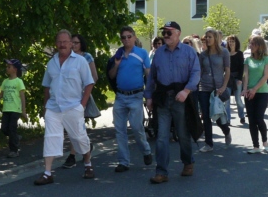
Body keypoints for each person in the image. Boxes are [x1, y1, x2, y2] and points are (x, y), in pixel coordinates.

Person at [34, 30, 95, 185]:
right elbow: (46, 86)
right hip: (53, 107)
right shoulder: (51, 63)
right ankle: (47, 173)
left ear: (71, 44)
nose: (62, 45)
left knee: (79, 138)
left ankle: (88, 164)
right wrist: (45, 106)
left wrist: (82, 105)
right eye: (59, 42)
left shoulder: (80, 61)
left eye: (65, 42)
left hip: (73, 106)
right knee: (50, 138)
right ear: (56, 44)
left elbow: (89, 83)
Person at [145, 21, 200, 184]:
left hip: (181, 98)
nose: (166, 36)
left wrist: (186, 91)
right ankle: (161, 171)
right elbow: (152, 76)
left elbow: (196, 73)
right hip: (163, 98)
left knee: (183, 134)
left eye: (169, 32)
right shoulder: (159, 53)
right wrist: (149, 96)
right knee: (161, 136)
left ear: (178, 33)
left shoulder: (189, 52)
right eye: (164, 33)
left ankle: (188, 162)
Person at [108, 26, 153, 172]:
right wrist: (116, 65)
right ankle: (123, 162)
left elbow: (148, 75)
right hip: (120, 96)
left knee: (137, 127)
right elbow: (111, 75)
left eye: (129, 36)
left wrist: (149, 95)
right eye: (123, 37)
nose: (126, 39)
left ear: (134, 37)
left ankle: (146, 150)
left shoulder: (142, 53)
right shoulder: (118, 54)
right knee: (119, 130)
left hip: (136, 96)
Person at [61, 34, 97, 169]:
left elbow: (94, 77)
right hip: (68, 97)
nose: (74, 45)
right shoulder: (66, 57)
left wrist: (84, 90)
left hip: (81, 96)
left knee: (75, 125)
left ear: (81, 44)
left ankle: (72, 155)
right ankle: (85, 145)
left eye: (76, 42)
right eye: (72, 42)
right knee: (74, 126)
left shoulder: (86, 57)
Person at [198, 28, 231, 152]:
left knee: (217, 115)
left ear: (215, 38)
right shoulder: (203, 55)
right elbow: (199, 71)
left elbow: (227, 70)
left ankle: (226, 131)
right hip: (204, 88)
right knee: (206, 116)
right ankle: (208, 144)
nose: (207, 39)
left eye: (210, 37)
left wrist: (223, 86)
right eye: (206, 37)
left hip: (218, 89)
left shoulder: (224, 52)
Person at [0, 59, 27, 158]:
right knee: (4, 129)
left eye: (9, 67)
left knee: (12, 129)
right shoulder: (5, 81)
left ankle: (14, 150)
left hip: (15, 110)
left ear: (15, 69)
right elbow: (1, 95)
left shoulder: (19, 82)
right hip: (6, 109)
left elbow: (22, 97)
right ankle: (16, 137)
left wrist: (23, 111)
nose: (7, 68)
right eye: (7, 67)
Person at [243, 36, 268, 153]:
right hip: (249, 93)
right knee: (251, 120)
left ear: (259, 46)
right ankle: (255, 146)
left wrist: (254, 89)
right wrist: (245, 89)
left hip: (262, 93)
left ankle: (265, 140)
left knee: (259, 118)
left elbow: (265, 76)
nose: (251, 46)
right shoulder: (248, 60)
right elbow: (246, 76)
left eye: (253, 44)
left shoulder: (266, 59)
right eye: (250, 43)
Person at [226, 35, 245, 124]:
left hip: (237, 78)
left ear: (236, 42)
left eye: (232, 41)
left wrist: (240, 79)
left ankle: (242, 115)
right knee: (226, 100)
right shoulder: (226, 53)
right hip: (227, 78)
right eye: (229, 41)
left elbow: (241, 67)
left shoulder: (240, 53)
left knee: (238, 99)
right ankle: (228, 119)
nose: (231, 43)